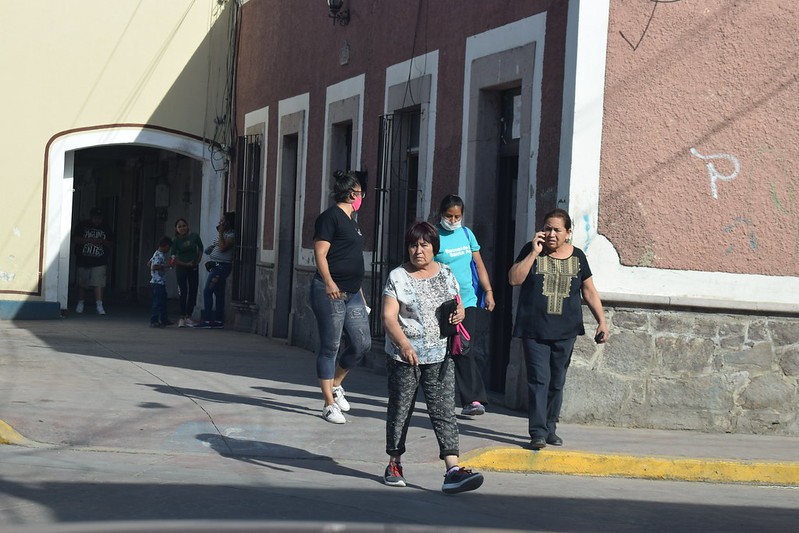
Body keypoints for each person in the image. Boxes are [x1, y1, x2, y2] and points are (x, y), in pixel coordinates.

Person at [381, 221, 484, 494]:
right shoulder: (398, 276)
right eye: (413, 245)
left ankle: (452, 469)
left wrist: (460, 313)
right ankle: (394, 463)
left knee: (444, 412)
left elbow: (457, 303)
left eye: (424, 245)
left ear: (434, 247)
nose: (418, 250)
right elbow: (388, 317)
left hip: (440, 355)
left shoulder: (446, 273)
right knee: (401, 410)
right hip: (405, 358)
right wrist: (404, 345)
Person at [508, 208, 609, 450]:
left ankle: (550, 428)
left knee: (556, 381)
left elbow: (589, 291)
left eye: (557, 230)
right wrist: (534, 252)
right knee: (539, 380)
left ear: (568, 233)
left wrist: (602, 321)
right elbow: (514, 279)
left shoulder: (578, 257)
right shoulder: (531, 250)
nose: (551, 234)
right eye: (547, 229)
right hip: (534, 330)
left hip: (565, 331)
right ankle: (537, 432)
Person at [311, 170, 372, 424]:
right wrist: (329, 282)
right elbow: (320, 253)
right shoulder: (330, 218)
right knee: (331, 346)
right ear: (352, 194)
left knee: (361, 343)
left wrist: (362, 297)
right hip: (331, 292)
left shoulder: (353, 222)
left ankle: (336, 384)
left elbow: (352, 260)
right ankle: (328, 404)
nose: (362, 198)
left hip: (353, 293)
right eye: (361, 193)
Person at [433, 194, 495, 416]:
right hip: (442, 302)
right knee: (441, 350)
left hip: (467, 301)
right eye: (448, 216)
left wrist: (488, 291)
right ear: (441, 214)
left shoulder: (467, 234)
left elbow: (478, 265)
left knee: (463, 347)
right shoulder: (433, 235)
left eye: (457, 216)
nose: (452, 220)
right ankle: (439, 394)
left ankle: (473, 399)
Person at [195, 212, 235, 329]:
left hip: (221, 267)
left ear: (228, 222)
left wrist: (221, 233)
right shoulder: (224, 234)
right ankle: (218, 320)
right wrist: (211, 249)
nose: (220, 223)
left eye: (222, 221)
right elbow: (216, 247)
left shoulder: (231, 235)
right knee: (218, 293)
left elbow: (223, 248)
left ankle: (207, 319)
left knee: (208, 290)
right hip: (216, 266)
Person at [73, 207, 114, 315]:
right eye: (95, 218)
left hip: (100, 261)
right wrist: (88, 240)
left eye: (99, 218)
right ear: (91, 217)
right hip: (83, 259)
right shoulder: (82, 226)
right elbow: (75, 239)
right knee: (82, 283)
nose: (97, 220)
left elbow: (111, 243)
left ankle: (99, 305)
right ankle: (80, 303)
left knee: (98, 283)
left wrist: (102, 242)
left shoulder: (106, 228)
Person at [171, 218, 204, 328]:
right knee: (183, 291)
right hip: (181, 267)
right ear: (176, 229)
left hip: (193, 266)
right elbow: (173, 258)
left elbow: (201, 248)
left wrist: (198, 260)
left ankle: (188, 316)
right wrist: (185, 264)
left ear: (188, 226)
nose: (182, 228)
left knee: (193, 290)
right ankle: (182, 317)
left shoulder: (194, 236)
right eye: (179, 226)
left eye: (184, 225)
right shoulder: (175, 240)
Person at [149, 236, 173, 328]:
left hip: (160, 281)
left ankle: (164, 319)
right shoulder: (158, 255)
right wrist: (167, 265)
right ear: (166, 246)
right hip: (157, 282)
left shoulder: (157, 254)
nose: (168, 250)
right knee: (158, 302)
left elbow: (149, 263)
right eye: (168, 248)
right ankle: (154, 320)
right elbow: (153, 267)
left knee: (163, 301)